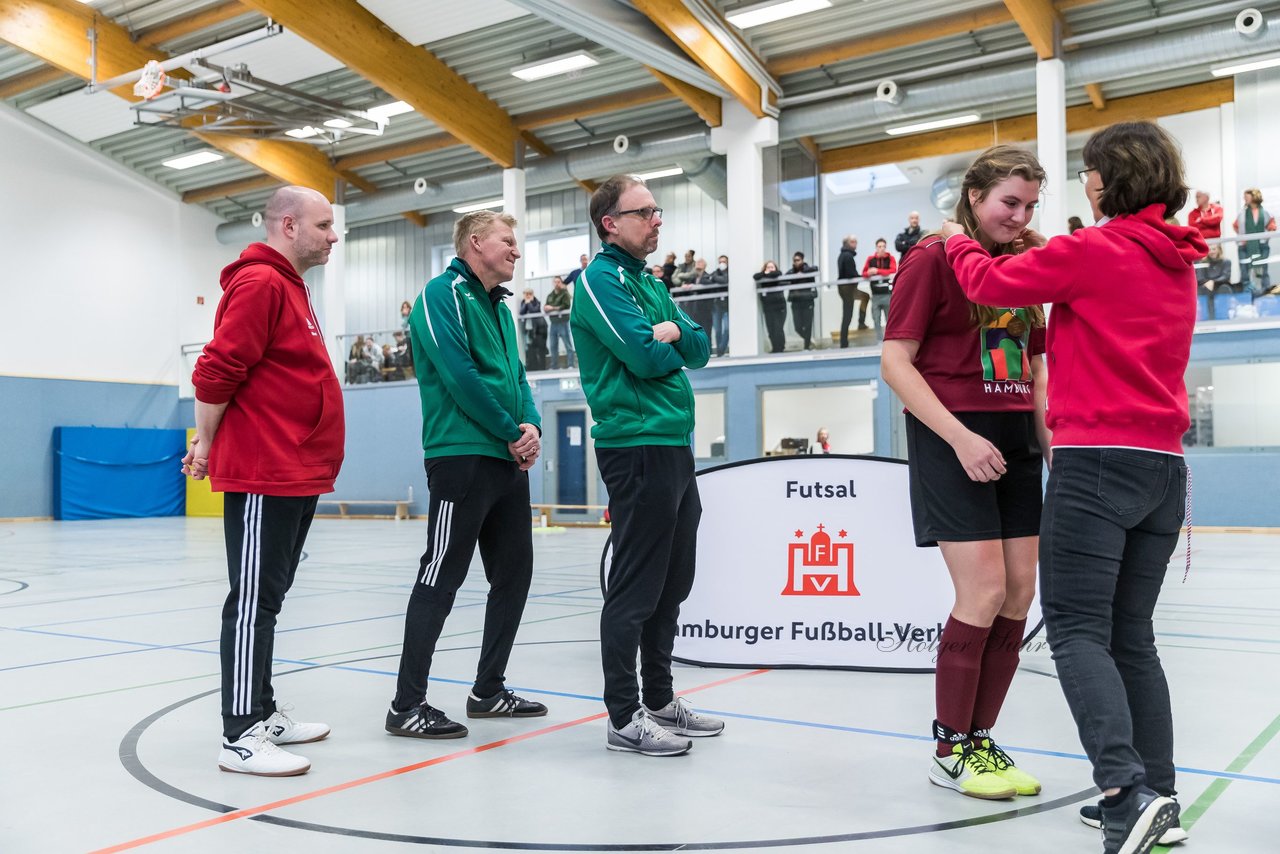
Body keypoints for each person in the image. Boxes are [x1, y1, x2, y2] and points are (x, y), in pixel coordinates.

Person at [940, 122, 1205, 854]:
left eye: (1089, 171)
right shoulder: (1176, 259)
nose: (1084, 183)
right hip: (1163, 470)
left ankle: (1122, 796)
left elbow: (984, 282)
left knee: (1079, 631)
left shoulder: (1095, 250)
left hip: (1097, 463)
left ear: (1107, 179)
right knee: (1132, 639)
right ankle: (1161, 793)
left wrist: (954, 236)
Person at [881, 145, 1049, 806]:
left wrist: (1052, 448)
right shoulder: (930, 258)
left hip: (1014, 437)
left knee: (1017, 596)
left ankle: (981, 739)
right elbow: (896, 363)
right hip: (954, 433)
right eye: (1010, 202)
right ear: (975, 197)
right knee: (981, 592)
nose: (1019, 215)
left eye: (1031, 206)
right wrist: (959, 437)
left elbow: (1034, 372)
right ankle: (949, 747)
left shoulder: (1019, 266)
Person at [185, 185, 345, 777]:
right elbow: (216, 370)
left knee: (269, 598)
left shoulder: (290, 286)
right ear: (288, 224)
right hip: (265, 470)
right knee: (252, 600)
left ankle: (262, 710)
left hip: (296, 471)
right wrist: (205, 442)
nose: (333, 236)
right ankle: (240, 735)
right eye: (324, 225)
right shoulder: (258, 283)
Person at [571, 174, 720, 757]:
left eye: (658, 211)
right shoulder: (600, 281)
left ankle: (659, 698)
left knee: (673, 580)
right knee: (636, 586)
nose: (658, 220)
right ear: (611, 223)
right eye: (645, 212)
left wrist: (674, 328)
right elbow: (644, 355)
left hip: (674, 443)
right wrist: (669, 339)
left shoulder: (648, 281)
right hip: (635, 444)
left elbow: (700, 348)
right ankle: (623, 715)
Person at [386, 210, 547, 741]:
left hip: (505, 458)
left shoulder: (501, 311)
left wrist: (530, 426)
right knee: (441, 575)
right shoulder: (441, 294)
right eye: (508, 241)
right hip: (461, 456)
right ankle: (406, 704)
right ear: (475, 243)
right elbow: (460, 375)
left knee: (515, 575)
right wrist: (508, 429)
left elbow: (518, 377)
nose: (516, 251)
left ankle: (488, 690)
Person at [1233, 188, 1276, 294]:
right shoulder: (1242, 213)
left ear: (1254, 196)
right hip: (1245, 247)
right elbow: (1235, 225)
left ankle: (1266, 295)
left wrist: (1265, 238)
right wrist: (1242, 238)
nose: (1244, 199)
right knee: (1245, 273)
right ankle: (1246, 297)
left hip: (1261, 246)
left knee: (1263, 272)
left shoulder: (1266, 212)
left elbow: (1272, 226)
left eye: (1246, 196)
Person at [862, 238, 898, 341]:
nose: (882, 249)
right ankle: (879, 340)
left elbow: (893, 270)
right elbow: (864, 273)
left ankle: (890, 340)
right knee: (876, 319)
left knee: (889, 319)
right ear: (876, 247)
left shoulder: (890, 258)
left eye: (883, 246)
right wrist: (869, 273)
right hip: (875, 296)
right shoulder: (870, 259)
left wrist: (877, 271)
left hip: (887, 294)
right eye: (879, 246)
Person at [837, 235, 867, 346]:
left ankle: (861, 323)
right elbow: (850, 274)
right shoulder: (847, 256)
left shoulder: (844, 255)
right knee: (847, 315)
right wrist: (864, 276)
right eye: (853, 242)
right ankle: (844, 342)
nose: (855, 244)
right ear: (847, 243)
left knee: (864, 297)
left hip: (847, 288)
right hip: (848, 288)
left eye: (856, 241)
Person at [786, 251, 819, 350]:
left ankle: (807, 346)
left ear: (802, 260)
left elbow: (815, 269)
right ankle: (808, 340)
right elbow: (784, 277)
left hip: (808, 301)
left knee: (808, 325)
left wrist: (802, 273)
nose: (796, 262)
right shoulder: (791, 272)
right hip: (796, 302)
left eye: (798, 260)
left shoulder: (808, 269)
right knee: (797, 327)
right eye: (794, 260)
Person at [755, 260, 786, 353]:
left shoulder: (777, 274)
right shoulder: (762, 277)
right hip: (768, 308)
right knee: (771, 329)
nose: (770, 269)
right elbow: (756, 276)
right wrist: (764, 274)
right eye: (768, 267)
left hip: (779, 307)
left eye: (772, 267)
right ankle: (775, 348)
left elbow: (776, 273)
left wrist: (767, 274)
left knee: (778, 328)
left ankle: (780, 348)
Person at [544, 275, 575, 368]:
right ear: (553, 283)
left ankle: (570, 365)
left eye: (559, 282)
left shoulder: (565, 294)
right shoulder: (550, 295)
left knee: (567, 345)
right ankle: (554, 366)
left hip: (563, 322)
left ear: (561, 283)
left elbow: (565, 306)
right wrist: (550, 308)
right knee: (553, 346)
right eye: (555, 282)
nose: (557, 284)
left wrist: (552, 308)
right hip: (553, 323)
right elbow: (546, 307)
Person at [519, 286, 548, 371]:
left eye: (529, 294)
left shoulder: (537, 302)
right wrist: (526, 303)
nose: (528, 296)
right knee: (531, 351)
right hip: (530, 331)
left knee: (541, 350)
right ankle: (534, 368)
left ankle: (542, 368)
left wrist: (529, 303)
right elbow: (521, 312)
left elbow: (534, 311)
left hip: (540, 330)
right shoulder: (523, 302)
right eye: (526, 294)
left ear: (532, 294)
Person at [708, 254, 730, 357]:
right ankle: (720, 353)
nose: (722, 264)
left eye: (724, 261)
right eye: (720, 261)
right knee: (717, 330)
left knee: (727, 329)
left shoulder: (731, 271)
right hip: (717, 305)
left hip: (728, 305)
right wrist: (715, 277)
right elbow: (707, 279)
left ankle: (721, 349)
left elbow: (726, 280)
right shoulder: (715, 272)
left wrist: (715, 278)